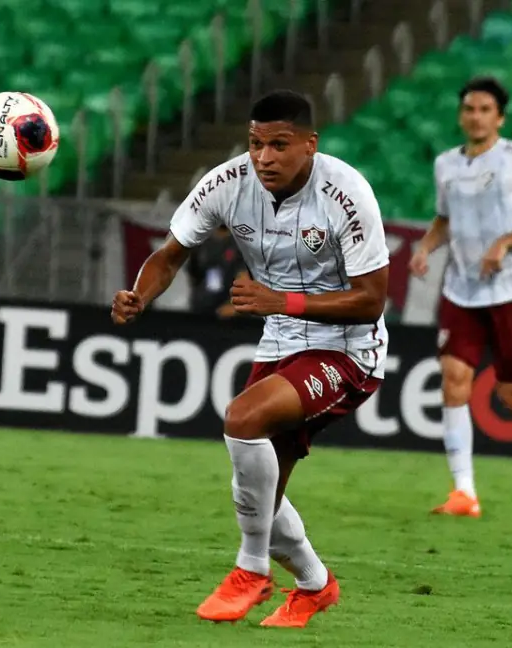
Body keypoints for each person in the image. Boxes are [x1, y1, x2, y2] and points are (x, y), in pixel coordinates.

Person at [113, 90, 389, 628]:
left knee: (242, 419)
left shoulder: (347, 193)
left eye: (279, 145)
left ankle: (251, 569)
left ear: (310, 145)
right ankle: (314, 585)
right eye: (256, 143)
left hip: (349, 348)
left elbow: (372, 298)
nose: (264, 157)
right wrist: (140, 295)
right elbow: (170, 254)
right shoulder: (225, 183)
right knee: (262, 492)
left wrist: (278, 301)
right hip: (280, 337)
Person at [410, 76, 512, 517]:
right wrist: (426, 247)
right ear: (461, 114)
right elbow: (444, 219)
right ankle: (464, 493)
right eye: (469, 108)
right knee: (454, 379)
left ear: (500, 117)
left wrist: (506, 242)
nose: (475, 116)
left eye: (485, 109)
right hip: (461, 289)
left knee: (511, 395)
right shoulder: (446, 164)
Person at [184, 224, 247, 318]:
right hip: (200, 308)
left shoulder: (239, 243)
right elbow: (193, 273)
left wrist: (235, 306)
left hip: (227, 312)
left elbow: (244, 277)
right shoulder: (200, 241)